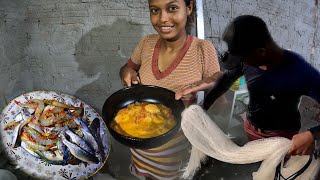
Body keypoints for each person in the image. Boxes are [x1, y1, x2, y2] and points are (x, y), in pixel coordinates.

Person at [175, 15, 320, 157]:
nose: (241, 64)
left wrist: (311, 135)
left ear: (261, 52)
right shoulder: (247, 59)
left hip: (281, 137)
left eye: (243, 59)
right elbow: (225, 81)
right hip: (250, 127)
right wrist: (202, 107)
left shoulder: (300, 71)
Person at [119, 0, 221, 179]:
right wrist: (127, 71)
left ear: (188, 8)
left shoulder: (202, 49)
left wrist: (213, 83)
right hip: (140, 148)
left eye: (172, 8)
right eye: (155, 10)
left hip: (178, 157)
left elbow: (218, 86)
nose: (163, 18)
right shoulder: (146, 43)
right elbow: (128, 68)